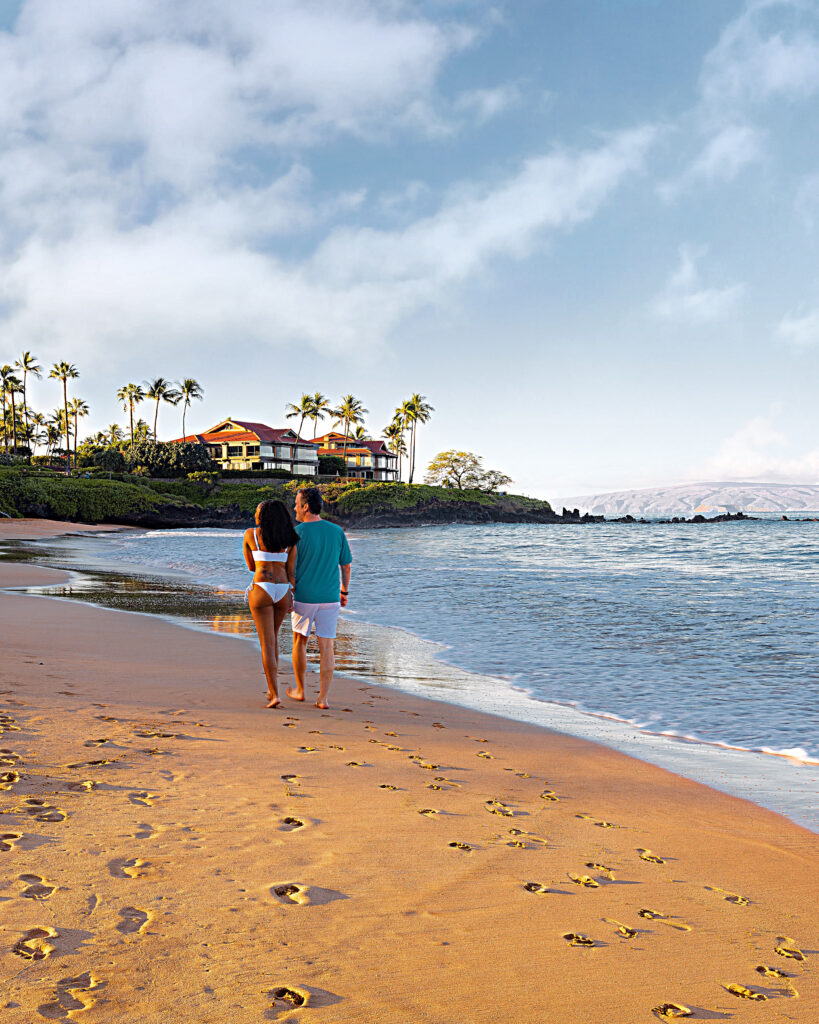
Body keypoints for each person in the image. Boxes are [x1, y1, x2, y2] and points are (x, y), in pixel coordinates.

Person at [286, 486, 352, 709]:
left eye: (296, 503)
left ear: (305, 507)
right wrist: (344, 591)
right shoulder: (337, 531)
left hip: (304, 597)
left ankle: (300, 689)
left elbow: (291, 569)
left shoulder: (297, 533)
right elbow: (346, 565)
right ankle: (323, 698)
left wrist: (289, 593)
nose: (294, 507)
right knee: (327, 647)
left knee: (299, 641)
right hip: (330, 598)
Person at [243, 499, 299, 709]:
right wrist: (292, 594)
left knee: (267, 643)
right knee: (273, 639)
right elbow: (291, 571)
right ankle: (270, 689)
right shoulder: (290, 538)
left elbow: (251, 566)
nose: (255, 515)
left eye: (258, 512)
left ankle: (274, 693)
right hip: (283, 590)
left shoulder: (251, 535)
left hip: (262, 588)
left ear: (263, 516)